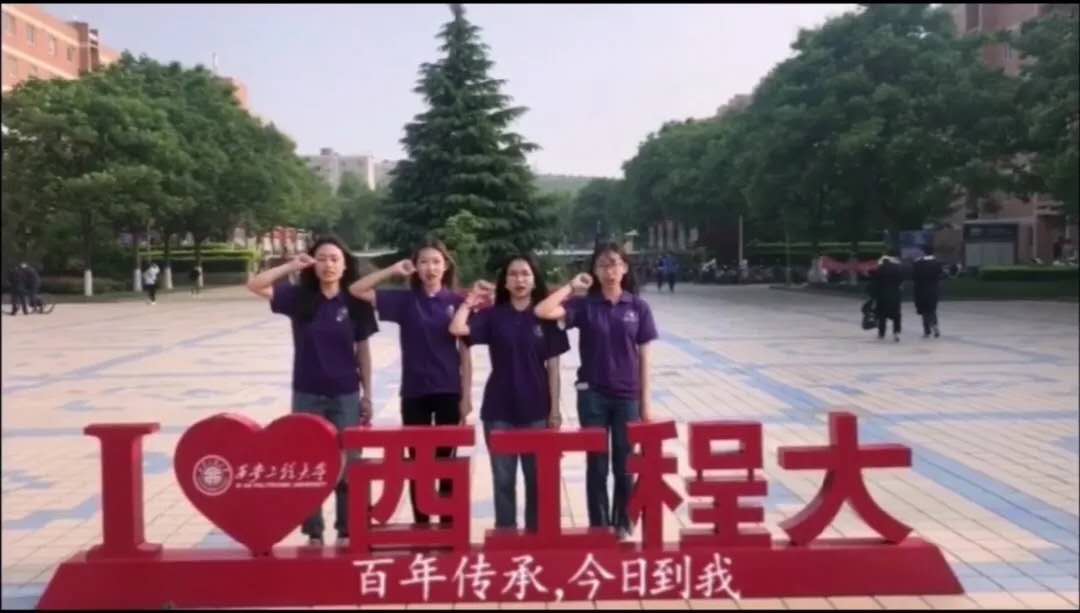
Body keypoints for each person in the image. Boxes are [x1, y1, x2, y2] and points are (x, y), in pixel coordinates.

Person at [246, 234, 378, 547]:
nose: (328, 264)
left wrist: (368, 395)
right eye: (321, 258)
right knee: (308, 462)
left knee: (349, 462)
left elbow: (363, 352)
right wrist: (291, 265)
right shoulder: (299, 298)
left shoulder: (355, 302)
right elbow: (255, 284)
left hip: (346, 393)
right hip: (307, 391)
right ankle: (314, 531)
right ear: (313, 264)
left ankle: (347, 529)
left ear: (344, 265)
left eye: (334, 259)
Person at [534, 242, 658, 540]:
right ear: (594, 271)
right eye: (602, 265)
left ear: (625, 268)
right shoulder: (585, 306)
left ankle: (623, 523)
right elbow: (543, 310)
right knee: (597, 464)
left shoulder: (638, 307)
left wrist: (646, 403)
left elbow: (645, 357)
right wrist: (571, 286)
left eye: (614, 263)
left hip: (627, 396)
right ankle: (600, 526)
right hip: (592, 396)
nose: (609, 270)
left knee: (625, 463)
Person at [349, 238, 472, 525]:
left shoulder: (457, 302)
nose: (430, 268)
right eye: (424, 262)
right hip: (414, 392)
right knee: (417, 460)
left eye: (436, 262)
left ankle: (448, 523)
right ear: (415, 267)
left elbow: (465, 354)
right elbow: (356, 290)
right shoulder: (405, 301)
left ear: (446, 266)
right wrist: (392, 270)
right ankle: (422, 522)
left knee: (446, 461)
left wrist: (466, 396)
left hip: (448, 390)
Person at [448, 253, 569, 533]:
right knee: (503, 480)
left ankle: (536, 534)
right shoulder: (494, 316)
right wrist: (470, 301)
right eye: (513, 274)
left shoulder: (545, 316)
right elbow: (457, 328)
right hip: (499, 409)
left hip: (536, 408)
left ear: (534, 279)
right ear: (504, 281)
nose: (519, 279)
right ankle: (506, 533)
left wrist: (555, 409)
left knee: (536, 479)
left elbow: (554, 367)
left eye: (525, 273)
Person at [869, 249, 904, 342]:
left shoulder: (881, 267)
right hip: (895, 294)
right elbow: (900, 280)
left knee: (882, 315)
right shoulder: (897, 267)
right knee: (896, 314)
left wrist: (874, 295)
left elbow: (875, 282)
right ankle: (896, 332)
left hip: (882, 294)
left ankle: (881, 333)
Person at [912, 246, 943, 338]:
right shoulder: (937, 263)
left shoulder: (918, 263)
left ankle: (927, 331)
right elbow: (940, 276)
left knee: (924, 311)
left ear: (924, 253)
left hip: (921, 290)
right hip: (933, 290)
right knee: (932, 309)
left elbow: (914, 277)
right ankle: (934, 325)